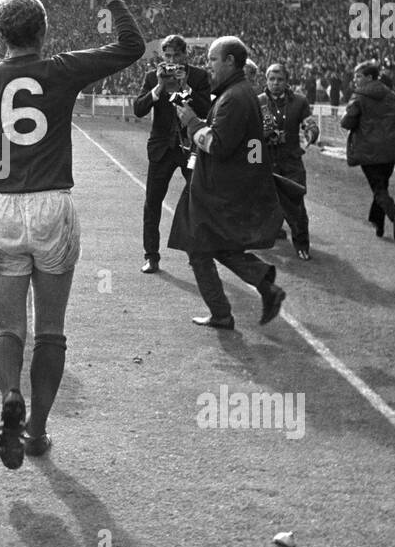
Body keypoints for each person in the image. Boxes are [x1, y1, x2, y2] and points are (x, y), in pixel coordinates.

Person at [0, 0, 144, 469]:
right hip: (53, 206)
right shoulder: (61, 69)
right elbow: (131, 47)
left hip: (0, 204)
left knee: (6, 329)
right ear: (42, 31)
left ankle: (9, 396)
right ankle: (37, 431)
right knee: (51, 331)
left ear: (0, 33)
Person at [167, 37, 286, 330]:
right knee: (213, 245)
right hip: (221, 185)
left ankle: (224, 312)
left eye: (213, 59)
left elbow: (218, 145)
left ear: (230, 61)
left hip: (217, 188)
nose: (209, 66)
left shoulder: (234, 97)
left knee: (198, 247)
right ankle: (261, 285)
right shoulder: (237, 92)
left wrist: (192, 122)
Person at [132, 35, 210, 274]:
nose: (172, 60)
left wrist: (185, 87)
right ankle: (151, 256)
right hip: (161, 149)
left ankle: (196, 254)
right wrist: (158, 87)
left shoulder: (198, 77)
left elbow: (206, 109)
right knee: (152, 203)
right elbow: (138, 109)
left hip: (190, 148)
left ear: (185, 55)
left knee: (196, 201)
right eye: (167, 55)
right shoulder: (152, 77)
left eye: (176, 55)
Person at [342, 60, 395, 245]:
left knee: (378, 189)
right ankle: (378, 223)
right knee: (381, 186)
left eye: (358, 76)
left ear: (369, 77)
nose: (355, 80)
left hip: (368, 150)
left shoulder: (359, 96)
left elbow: (347, 122)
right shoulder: (392, 95)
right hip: (390, 149)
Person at [260, 63, 319, 260]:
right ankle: (263, 237)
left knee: (296, 204)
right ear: (266, 80)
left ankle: (302, 245)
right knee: (264, 202)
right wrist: (254, 158)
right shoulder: (258, 101)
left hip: (291, 161)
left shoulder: (299, 101)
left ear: (287, 82)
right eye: (272, 79)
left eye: (280, 79)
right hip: (266, 162)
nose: (275, 83)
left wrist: (311, 132)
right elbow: (251, 135)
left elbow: (309, 123)